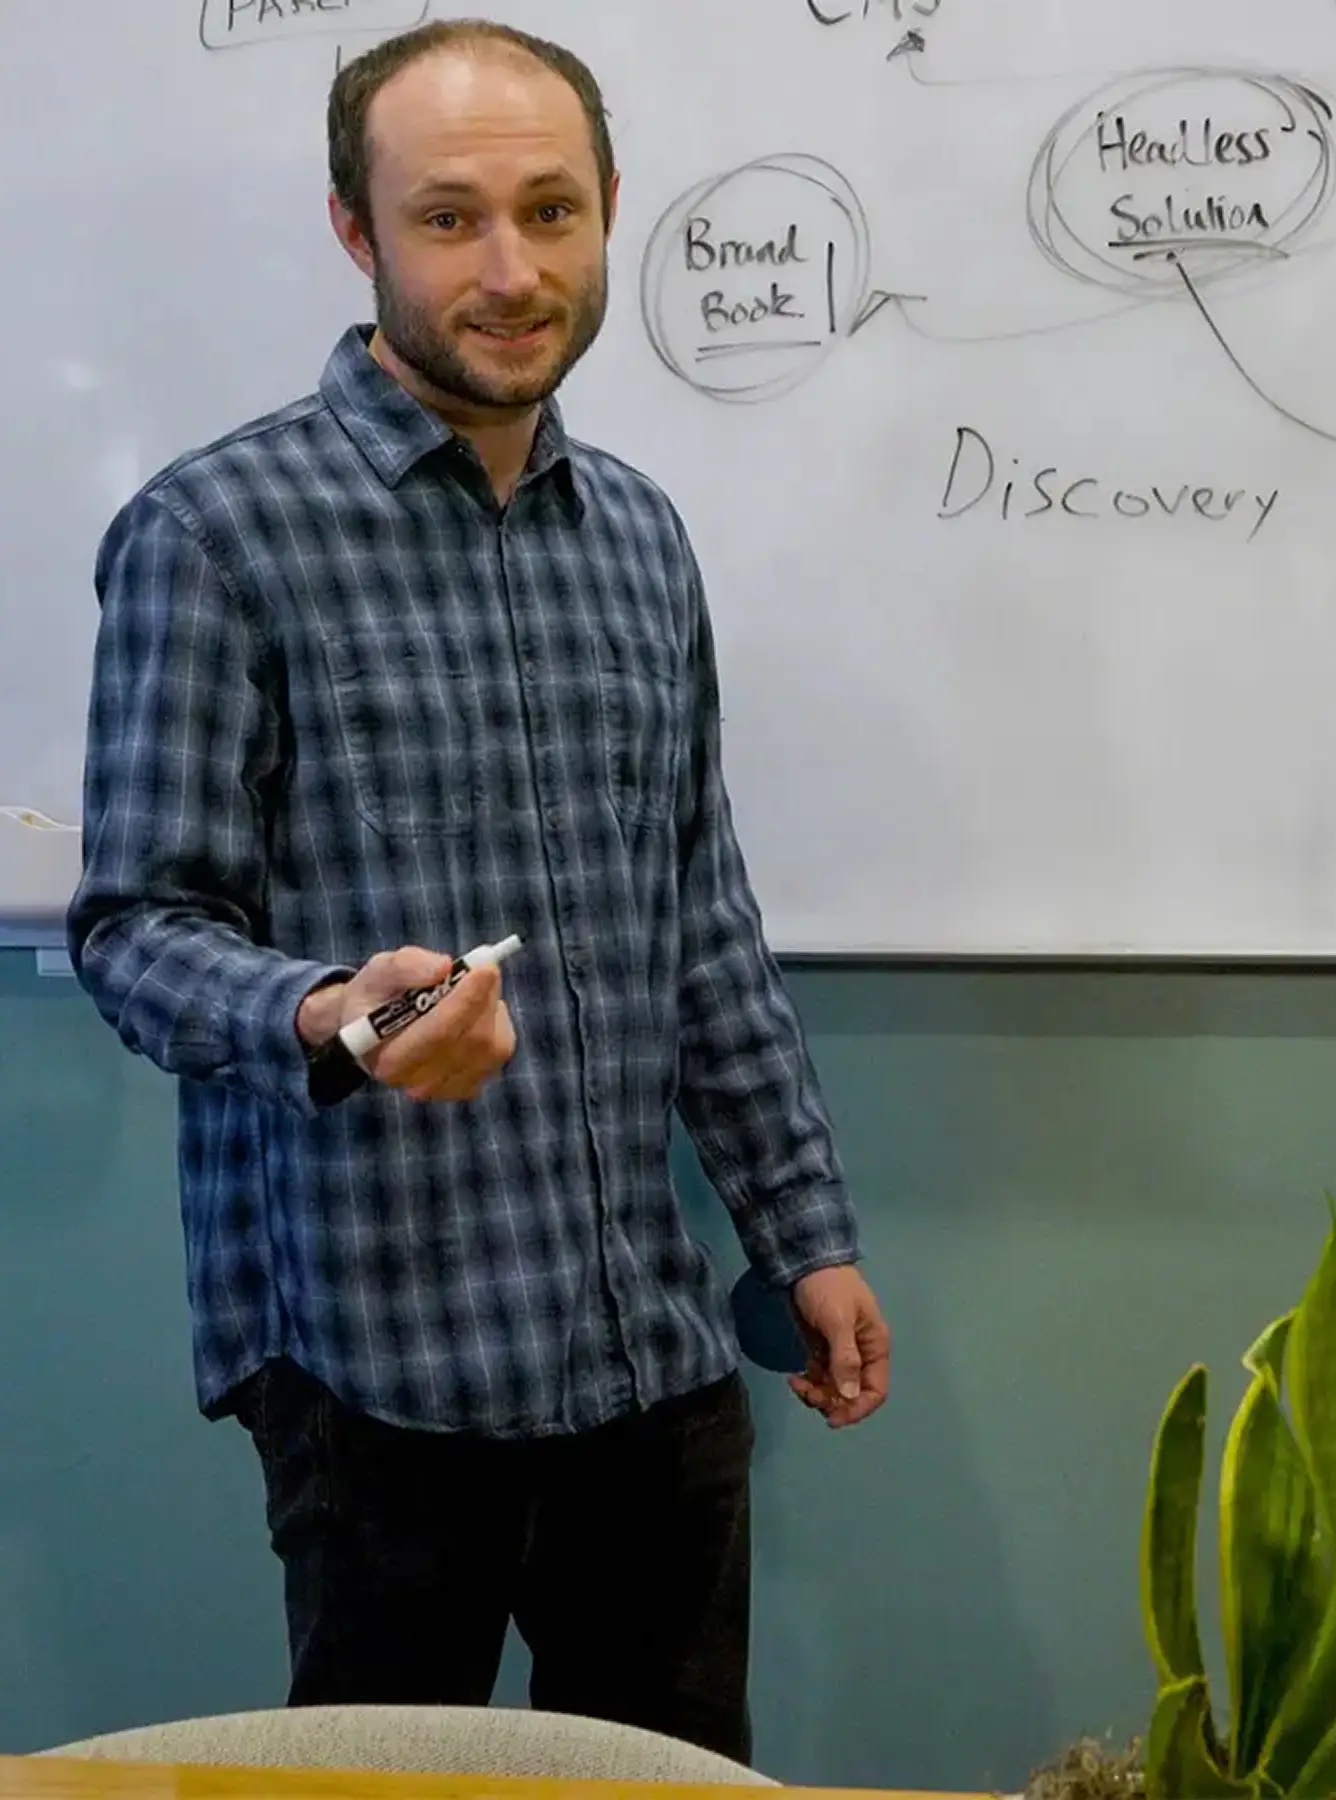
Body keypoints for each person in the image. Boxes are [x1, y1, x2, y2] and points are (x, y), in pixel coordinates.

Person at [65, 17, 890, 1764]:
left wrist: (800, 1230)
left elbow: (703, 927)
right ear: (357, 234)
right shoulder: (215, 534)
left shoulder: (641, 537)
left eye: (551, 210)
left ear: (606, 218)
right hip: (380, 1375)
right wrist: (333, 1015)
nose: (511, 270)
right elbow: (136, 931)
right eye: (449, 219)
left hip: (646, 1364)